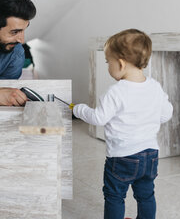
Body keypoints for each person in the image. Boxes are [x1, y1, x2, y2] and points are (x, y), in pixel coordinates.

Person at [72, 29, 173, 219]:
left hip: (122, 157)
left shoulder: (115, 92)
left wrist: (78, 109)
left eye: (107, 62)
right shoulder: (155, 86)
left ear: (120, 63)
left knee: (114, 196)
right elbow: (166, 114)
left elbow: (98, 118)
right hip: (150, 155)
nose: (108, 66)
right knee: (146, 195)